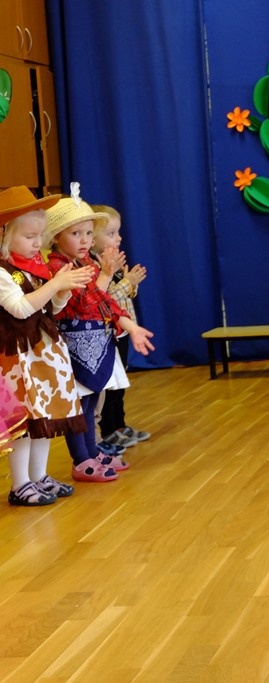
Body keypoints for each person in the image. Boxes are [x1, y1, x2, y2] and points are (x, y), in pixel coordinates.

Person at [44, 194, 155, 483]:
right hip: (73, 346)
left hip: (95, 343)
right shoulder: (58, 267)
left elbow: (106, 303)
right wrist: (105, 274)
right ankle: (81, 460)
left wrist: (130, 326)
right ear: (56, 237)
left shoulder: (86, 264)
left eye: (88, 233)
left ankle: (92, 451)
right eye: (75, 233)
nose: (84, 240)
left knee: (92, 401)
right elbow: (84, 303)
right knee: (78, 406)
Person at [0, 187, 93, 505]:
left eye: (40, 236)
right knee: (25, 424)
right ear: (4, 234)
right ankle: (20, 484)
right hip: (19, 358)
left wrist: (62, 291)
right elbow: (20, 309)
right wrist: (55, 284)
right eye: (29, 236)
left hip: (43, 352)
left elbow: (50, 309)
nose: (37, 243)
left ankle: (39, 476)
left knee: (45, 419)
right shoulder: (4, 272)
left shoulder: (35, 267)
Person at [90, 204, 151, 450]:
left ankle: (119, 424)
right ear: (93, 239)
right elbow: (105, 298)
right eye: (111, 233)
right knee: (110, 385)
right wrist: (127, 282)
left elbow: (122, 297)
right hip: (108, 333)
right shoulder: (95, 266)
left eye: (118, 232)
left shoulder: (110, 264)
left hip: (123, 330)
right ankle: (109, 429)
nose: (119, 238)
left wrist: (130, 284)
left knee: (120, 382)